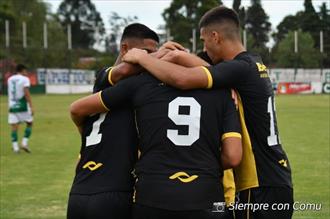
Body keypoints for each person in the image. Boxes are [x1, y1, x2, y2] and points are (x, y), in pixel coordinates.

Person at [121, 6, 293, 219]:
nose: (204, 47)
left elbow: (181, 79)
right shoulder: (252, 64)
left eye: (203, 41)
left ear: (215, 36)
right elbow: (208, 70)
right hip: (274, 178)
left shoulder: (240, 69)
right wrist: (178, 55)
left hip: (259, 184)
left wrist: (143, 59)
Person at [70, 66, 242, 219]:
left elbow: (77, 109)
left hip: (152, 196)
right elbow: (233, 157)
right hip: (208, 198)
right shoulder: (223, 92)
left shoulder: (140, 85)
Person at [67, 23, 159, 219]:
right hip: (113, 193)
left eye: (154, 53)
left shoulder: (105, 87)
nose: (149, 59)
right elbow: (123, 71)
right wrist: (165, 57)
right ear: (125, 49)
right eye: (146, 52)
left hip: (79, 192)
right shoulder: (109, 77)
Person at [7, 64, 33, 153]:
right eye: (25, 71)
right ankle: (24, 143)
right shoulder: (25, 79)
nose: (26, 73)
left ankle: (15, 148)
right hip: (23, 105)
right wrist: (31, 105)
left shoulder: (10, 79)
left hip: (12, 105)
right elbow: (26, 92)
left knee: (14, 126)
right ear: (22, 70)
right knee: (29, 123)